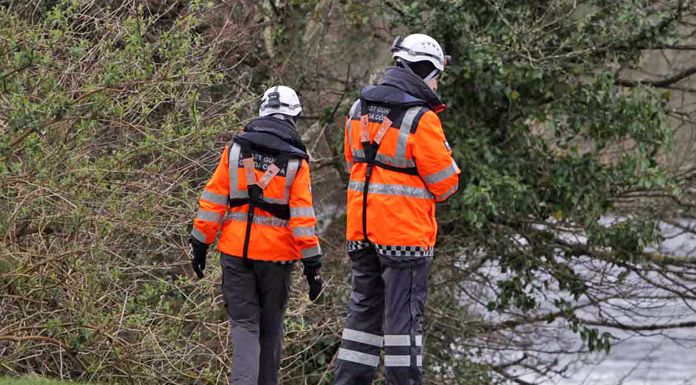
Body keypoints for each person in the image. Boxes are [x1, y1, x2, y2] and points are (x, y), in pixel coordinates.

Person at [333, 33, 460, 385]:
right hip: (404, 236)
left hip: (360, 232)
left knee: (361, 322)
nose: (437, 83)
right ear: (425, 71)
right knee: (403, 325)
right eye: (437, 75)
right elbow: (446, 183)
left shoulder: (358, 109)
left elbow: (352, 160)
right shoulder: (421, 118)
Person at [189, 85, 323, 385]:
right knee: (271, 329)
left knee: (244, 326)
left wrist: (199, 244)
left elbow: (213, 201)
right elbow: (302, 219)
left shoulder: (236, 149)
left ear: (262, 111)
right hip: (276, 259)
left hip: (235, 253)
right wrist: (312, 266)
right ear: (294, 117)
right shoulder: (296, 160)